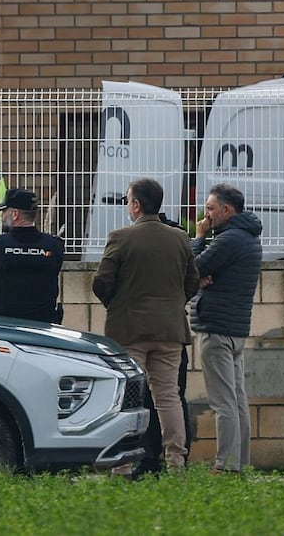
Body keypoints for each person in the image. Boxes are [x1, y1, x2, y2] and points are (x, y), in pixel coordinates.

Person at [91, 178, 200, 475]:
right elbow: (192, 282)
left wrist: (117, 305)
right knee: (168, 396)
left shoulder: (121, 238)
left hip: (129, 331)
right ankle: (177, 461)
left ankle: (123, 464)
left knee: (128, 397)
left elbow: (101, 281)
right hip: (170, 331)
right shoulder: (179, 238)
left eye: (128, 200)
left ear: (136, 205)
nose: (127, 205)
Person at [191, 183, 263, 474]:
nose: (206, 215)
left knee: (223, 403)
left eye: (210, 209)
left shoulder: (229, 239)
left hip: (216, 328)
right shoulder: (248, 238)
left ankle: (225, 466)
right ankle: (240, 462)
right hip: (235, 330)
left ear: (226, 210)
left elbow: (190, 267)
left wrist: (198, 238)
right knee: (237, 399)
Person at [0, 188, 65, 323]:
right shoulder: (54, 246)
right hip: (45, 327)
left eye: (4, 212)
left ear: (15, 214)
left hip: (4, 327)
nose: (2, 217)